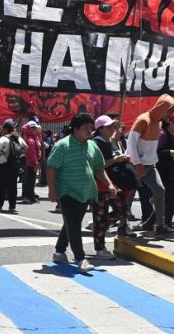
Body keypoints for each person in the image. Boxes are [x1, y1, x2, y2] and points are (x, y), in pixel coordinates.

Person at [48, 113, 113, 273]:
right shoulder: (62, 145)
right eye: (86, 128)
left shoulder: (92, 146)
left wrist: (109, 183)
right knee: (74, 224)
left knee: (71, 222)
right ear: (75, 129)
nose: (90, 131)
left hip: (86, 192)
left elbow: (99, 168)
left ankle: (59, 250)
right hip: (67, 192)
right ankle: (80, 258)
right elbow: (51, 167)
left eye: (91, 128)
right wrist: (52, 190)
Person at [126, 94, 174, 236]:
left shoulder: (159, 122)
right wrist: (137, 164)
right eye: (169, 110)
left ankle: (159, 224)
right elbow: (130, 143)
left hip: (150, 165)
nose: (171, 114)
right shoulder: (143, 120)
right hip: (134, 166)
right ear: (162, 108)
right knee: (127, 197)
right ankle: (122, 225)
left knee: (160, 191)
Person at [91, 115, 130, 259]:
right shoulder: (96, 143)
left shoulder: (108, 141)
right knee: (101, 214)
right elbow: (98, 166)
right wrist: (116, 159)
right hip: (100, 185)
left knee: (123, 210)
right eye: (109, 127)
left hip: (110, 184)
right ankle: (100, 250)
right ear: (100, 129)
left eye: (112, 126)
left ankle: (100, 224)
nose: (112, 129)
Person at [0, 119, 26, 213]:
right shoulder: (18, 138)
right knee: (12, 186)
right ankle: (12, 206)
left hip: (2, 165)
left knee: (0, 186)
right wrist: (18, 155)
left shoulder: (3, 138)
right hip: (14, 165)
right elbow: (26, 148)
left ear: (5, 129)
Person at [20, 120, 43, 204]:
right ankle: (29, 196)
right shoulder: (31, 140)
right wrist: (36, 163)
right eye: (35, 128)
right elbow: (32, 153)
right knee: (30, 180)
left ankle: (27, 196)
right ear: (31, 129)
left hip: (30, 163)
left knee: (28, 180)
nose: (36, 129)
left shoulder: (32, 137)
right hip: (31, 163)